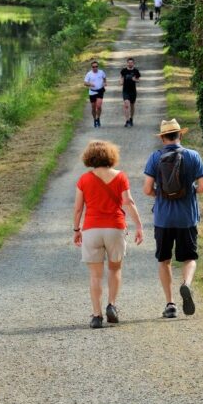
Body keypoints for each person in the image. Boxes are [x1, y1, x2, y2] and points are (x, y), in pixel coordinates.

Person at [143, 119, 203, 319]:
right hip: (187, 218)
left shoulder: (155, 158)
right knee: (189, 258)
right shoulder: (193, 156)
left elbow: (147, 189)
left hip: (163, 219)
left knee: (164, 260)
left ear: (163, 138)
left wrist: (160, 194)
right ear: (180, 135)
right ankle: (186, 284)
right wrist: (191, 191)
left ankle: (170, 304)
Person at [73, 140, 144, 328]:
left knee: (95, 276)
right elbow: (128, 202)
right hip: (115, 227)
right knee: (115, 269)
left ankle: (96, 316)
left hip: (92, 229)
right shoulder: (120, 177)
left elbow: (78, 209)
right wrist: (138, 225)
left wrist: (76, 229)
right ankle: (111, 305)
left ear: (89, 157)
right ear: (111, 156)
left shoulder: (84, 179)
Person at [83, 60, 107, 128]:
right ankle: (94, 119)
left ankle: (98, 118)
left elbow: (104, 78)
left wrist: (104, 83)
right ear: (91, 67)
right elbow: (85, 83)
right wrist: (90, 84)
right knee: (93, 107)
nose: (95, 68)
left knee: (98, 106)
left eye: (96, 66)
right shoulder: (89, 74)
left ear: (98, 66)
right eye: (93, 67)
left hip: (100, 91)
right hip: (92, 91)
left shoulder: (101, 72)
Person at [119, 57, 141, 127]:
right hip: (125, 91)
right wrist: (121, 82)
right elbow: (121, 78)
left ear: (133, 63)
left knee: (132, 105)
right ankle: (127, 120)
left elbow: (138, 80)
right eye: (129, 63)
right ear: (127, 63)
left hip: (133, 91)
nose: (130, 64)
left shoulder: (136, 71)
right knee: (126, 105)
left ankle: (131, 118)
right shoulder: (124, 71)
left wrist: (135, 80)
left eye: (131, 63)